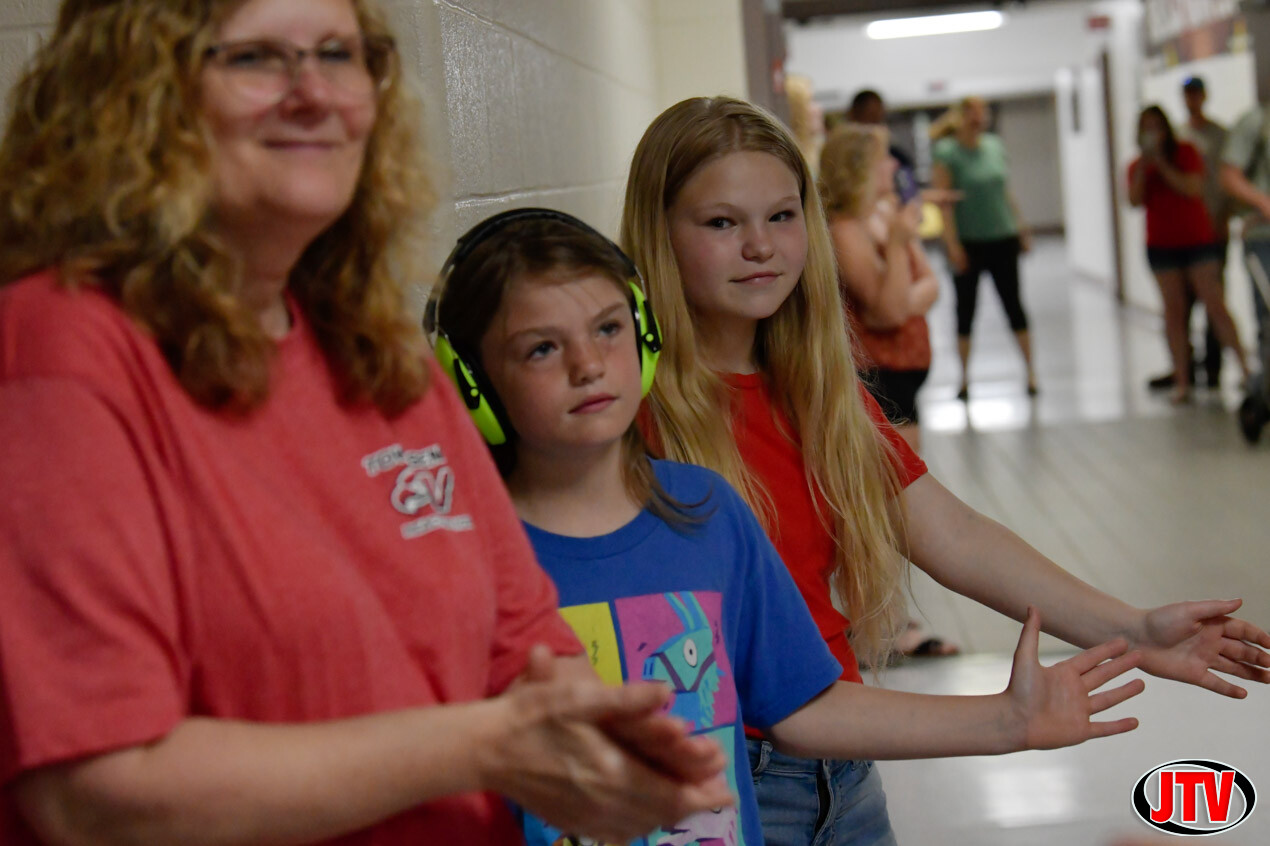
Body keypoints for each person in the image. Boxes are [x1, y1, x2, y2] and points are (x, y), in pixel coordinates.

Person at [0, 2, 734, 844]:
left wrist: (604, 742)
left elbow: (522, 638)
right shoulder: (59, 349)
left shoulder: (373, 350)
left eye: (339, 54)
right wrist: (485, 747)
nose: (315, 93)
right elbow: (98, 793)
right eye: (256, 58)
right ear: (135, 88)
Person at [619, 95, 1270, 846]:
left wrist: (1136, 629)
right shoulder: (633, 418)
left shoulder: (816, 392)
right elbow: (773, 701)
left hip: (844, 777)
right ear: (660, 233)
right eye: (721, 223)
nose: (761, 246)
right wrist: (1005, 719)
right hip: (721, 787)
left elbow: (953, 533)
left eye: (782, 215)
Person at [427, 208, 1146, 846]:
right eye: (542, 348)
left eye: (609, 328)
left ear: (642, 334)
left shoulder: (708, 512)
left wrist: (1006, 721)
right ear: (472, 384)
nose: (588, 365)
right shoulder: (460, 556)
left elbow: (803, 709)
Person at [820, 122, 939, 452]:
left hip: (905, 369)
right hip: (879, 374)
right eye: (883, 157)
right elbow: (888, 314)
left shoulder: (885, 213)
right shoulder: (845, 230)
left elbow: (931, 284)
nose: (893, 164)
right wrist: (898, 246)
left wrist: (901, 300)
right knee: (900, 473)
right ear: (860, 169)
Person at [1128, 105, 1249, 404]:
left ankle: (1247, 370)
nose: (1152, 133)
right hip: (1161, 246)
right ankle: (1182, 380)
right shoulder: (1136, 166)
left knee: (1215, 304)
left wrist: (1163, 165)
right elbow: (1134, 200)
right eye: (1146, 128)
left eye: (1156, 127)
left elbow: (1193, 188)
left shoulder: (1186, 153)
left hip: (1196, 241)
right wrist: (1145, 168)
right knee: (1174, 312)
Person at [931, 96, 1038, 400]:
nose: (979, 118)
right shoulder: (947, 151)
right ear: (960, 116)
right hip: (969, 242)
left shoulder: (994, 146)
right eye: (973, 113)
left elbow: (1004, 191)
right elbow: (944, 203)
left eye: (983, 112)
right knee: (965, 310)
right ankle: (964, 379)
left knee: (1014, 305)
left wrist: (1020, 227)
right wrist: (952, 245)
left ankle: (1030, 372)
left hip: (1002, 237)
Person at [1146, 76, 1232, 392]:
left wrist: (1224, 217)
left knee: (1214, 302)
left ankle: (1214, 367)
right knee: (1178, 307)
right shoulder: (1177, 139)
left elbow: (1224, 180)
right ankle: (1183, 368)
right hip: (1181, 233)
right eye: (1186, 95)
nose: (1191, 100)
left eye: (1195, 94)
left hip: (1211, 230)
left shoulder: (1220, 136)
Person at [1219, 100, 1270, 443]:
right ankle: (1260, 397)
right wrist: (1263, 202)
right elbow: (1229, 174)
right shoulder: (1257, 122)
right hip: (1264, 238)